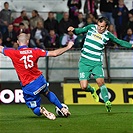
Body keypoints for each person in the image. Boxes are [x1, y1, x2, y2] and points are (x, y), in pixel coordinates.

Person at [0, 33, 73, 120]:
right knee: (47, 93)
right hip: (40, 81)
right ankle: (62, 108)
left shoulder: (13, 52)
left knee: (34, 108)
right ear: (27, 41)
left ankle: (42, 110)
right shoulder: (35, 51)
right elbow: (54, 53)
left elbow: (1, 48)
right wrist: (68, 47)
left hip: (29, 86)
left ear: (18, 42)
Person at [68, 17, 133, 112]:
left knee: (100, 82)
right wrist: (73, 30)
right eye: (98, 25)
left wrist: (131, 45)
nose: (99, 28)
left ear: (106, 27)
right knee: (83, 87)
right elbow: (80, 31)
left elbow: (119, 42)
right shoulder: (91, 27)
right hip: (84, 62)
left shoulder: (108, 35)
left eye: (102, 26)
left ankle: (107, 102)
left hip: (96, 63)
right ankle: (92, 91)